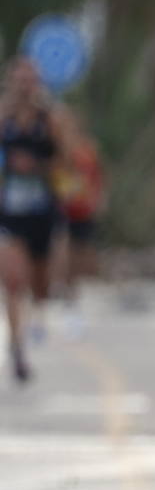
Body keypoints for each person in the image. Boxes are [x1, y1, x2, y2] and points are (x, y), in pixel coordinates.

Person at [0, 56, 72, 382]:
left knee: (38, 284)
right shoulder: (4, 117)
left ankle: (36, 313)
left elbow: (67, 160)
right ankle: (17, 348)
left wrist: (37, 166)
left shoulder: (51, 119)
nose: (24, 87)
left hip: (43, 209)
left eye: (30, 81)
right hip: (11, 209)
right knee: (13, 281)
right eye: (19, 80)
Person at [52, 108, 105, 326]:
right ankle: (59, 285)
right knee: (62, 246)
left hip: (83, 208)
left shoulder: (89, 149)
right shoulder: (54, 150)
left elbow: (99, 176)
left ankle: (71, 290)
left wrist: (99, 197)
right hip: (61, 208)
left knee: (80, 255)